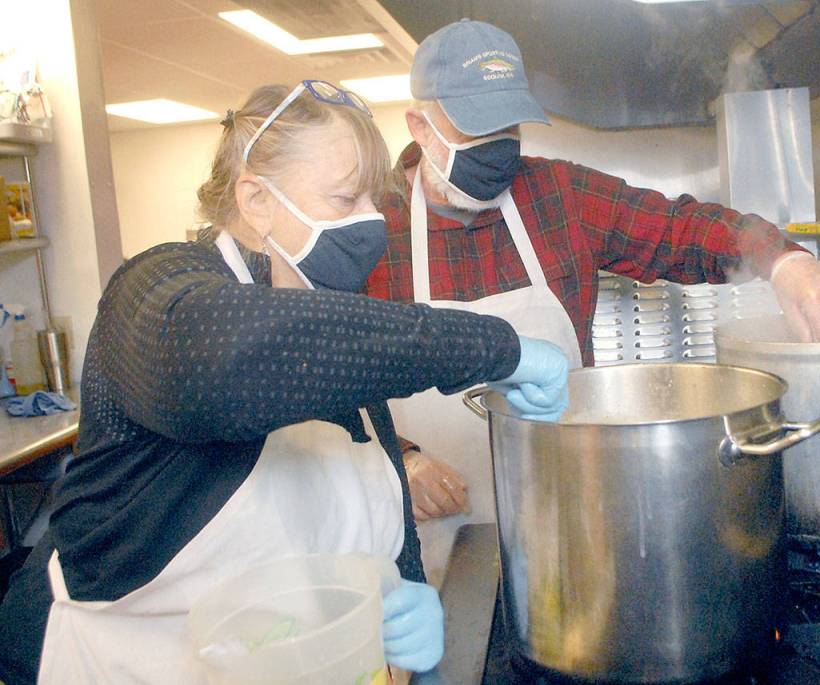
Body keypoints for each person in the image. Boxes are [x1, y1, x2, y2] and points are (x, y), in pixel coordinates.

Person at [0, 81, 569, 685]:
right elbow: (223, 367)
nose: (371, 223)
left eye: (372, 201)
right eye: (345, 199)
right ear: (257, 201)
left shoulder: (339, 342)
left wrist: (407, 615)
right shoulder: (157, 290)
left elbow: (380, 528)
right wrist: (494, 348)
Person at [364, 19, 820, 584]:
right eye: (477, 131)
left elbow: (675, 226)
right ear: (421, 125)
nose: (498, 148)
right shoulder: (371, 229)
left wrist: (782, 260)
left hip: (566, 521)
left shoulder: (556, 195)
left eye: (508, 127)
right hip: (423, 543)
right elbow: (324, 382)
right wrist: (399, 459)